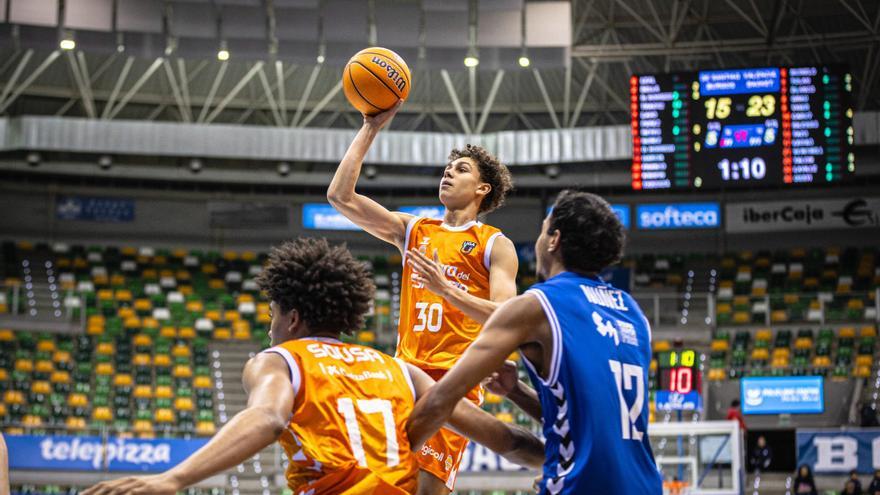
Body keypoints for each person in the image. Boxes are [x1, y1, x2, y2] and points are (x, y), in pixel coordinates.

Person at [82, 238, 542, 495]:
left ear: (292, 317)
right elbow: (512, 442)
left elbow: (267, 417)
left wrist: (172, 478)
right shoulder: (399, 370)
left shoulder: (279, 360)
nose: (269, 328)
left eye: (271, 315)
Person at [407, 190, 663, 494]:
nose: (539, 242)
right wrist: (516, 391)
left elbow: (441, 400)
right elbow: (585, 418)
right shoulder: (634, 314)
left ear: (553, 240)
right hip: (646, 484)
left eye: (542, 232)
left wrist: (386, 458)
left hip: (580, 486)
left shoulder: (537, 304)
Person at [328, 100, 518, 494]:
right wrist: (370, 128)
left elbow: (506, 316)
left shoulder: (494, 244)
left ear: (482, 189)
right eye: (448, 168)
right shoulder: (414, 229)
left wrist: (446, 290)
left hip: (454, 382)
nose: (449, 172)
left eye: (461, 169)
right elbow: (340, 197)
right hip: (403, 377)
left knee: (426, 489)